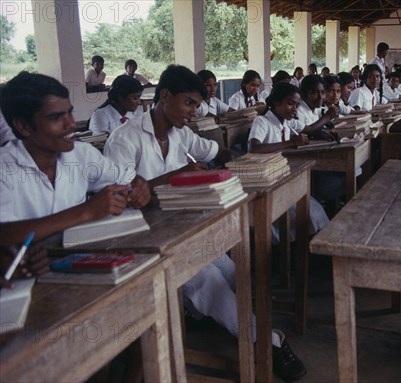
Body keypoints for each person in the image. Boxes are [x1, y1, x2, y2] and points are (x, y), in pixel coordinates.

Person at [103, 65, 306, 382]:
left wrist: (250, 163)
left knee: (229, 269)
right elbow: (129, 196)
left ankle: (194, 312)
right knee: (207, 282)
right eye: (188, 103)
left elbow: (218, 151)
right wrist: (179, 175)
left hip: (182, 227)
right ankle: (266, 339)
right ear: (165, 96)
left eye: (197, 105)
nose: (193, 111)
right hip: (144, 241)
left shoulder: (180, 133)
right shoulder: (124, 139)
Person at [0, 70, 150, 254]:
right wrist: (85, 211)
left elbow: (129, 180)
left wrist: (137, 189)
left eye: (69, 113)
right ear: (23, 126)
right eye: (55, 118)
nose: (71, 124)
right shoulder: (4, 168)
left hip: (80, 260)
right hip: (26, 276)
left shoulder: (83, 155)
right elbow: (4, 233)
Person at [247, 82, 330, 237]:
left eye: (297, 105)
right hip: (263, 182)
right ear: (276, 102)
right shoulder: (262, 121)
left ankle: (304, 249)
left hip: (281, 176)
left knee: (314, 209)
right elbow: (254, 148)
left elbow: (308, 128)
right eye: (290, 104)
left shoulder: (287, 121)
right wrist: (292, 142)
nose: (295, 109)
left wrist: (319, 133)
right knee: (306, 213)